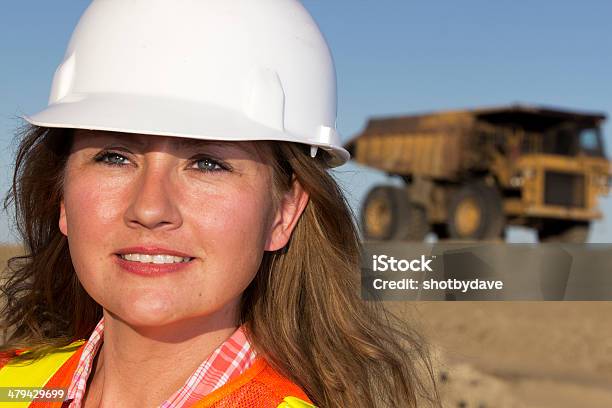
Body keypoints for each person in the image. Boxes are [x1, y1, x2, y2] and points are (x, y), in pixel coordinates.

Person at [0, 1, 438, 407]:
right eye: (114, 157)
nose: (150, 208)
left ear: (283, 213)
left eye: (207, 164)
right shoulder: (14, 385)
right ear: (62, 197)